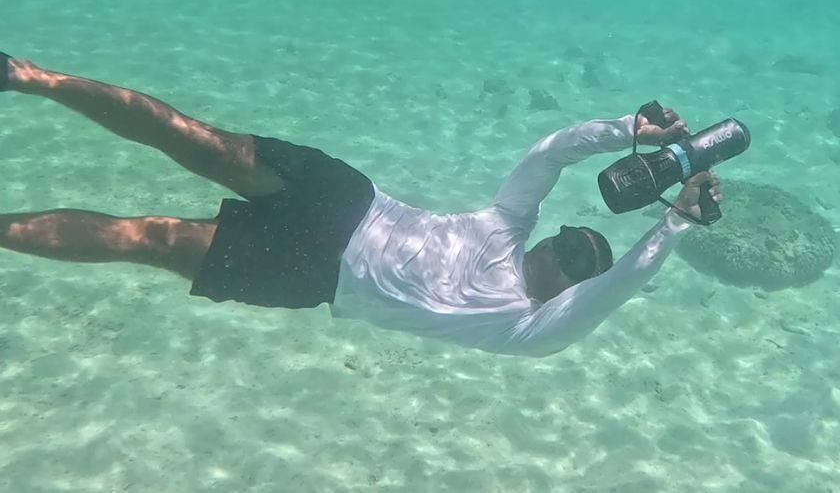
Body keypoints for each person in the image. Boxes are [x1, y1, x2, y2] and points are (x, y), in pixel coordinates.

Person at [0, 52, 720, 357]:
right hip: (349, 201)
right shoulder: (505, 227)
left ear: (573, 291)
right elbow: (549, 155)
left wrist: (678, 222)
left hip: (311, 277)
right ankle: (26, 76)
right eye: (568, 239)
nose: (561, 251)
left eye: (577, 261)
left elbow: (622, 284)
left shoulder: (526, 329)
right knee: (193, 139)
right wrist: (628, 131)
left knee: (146, 241)